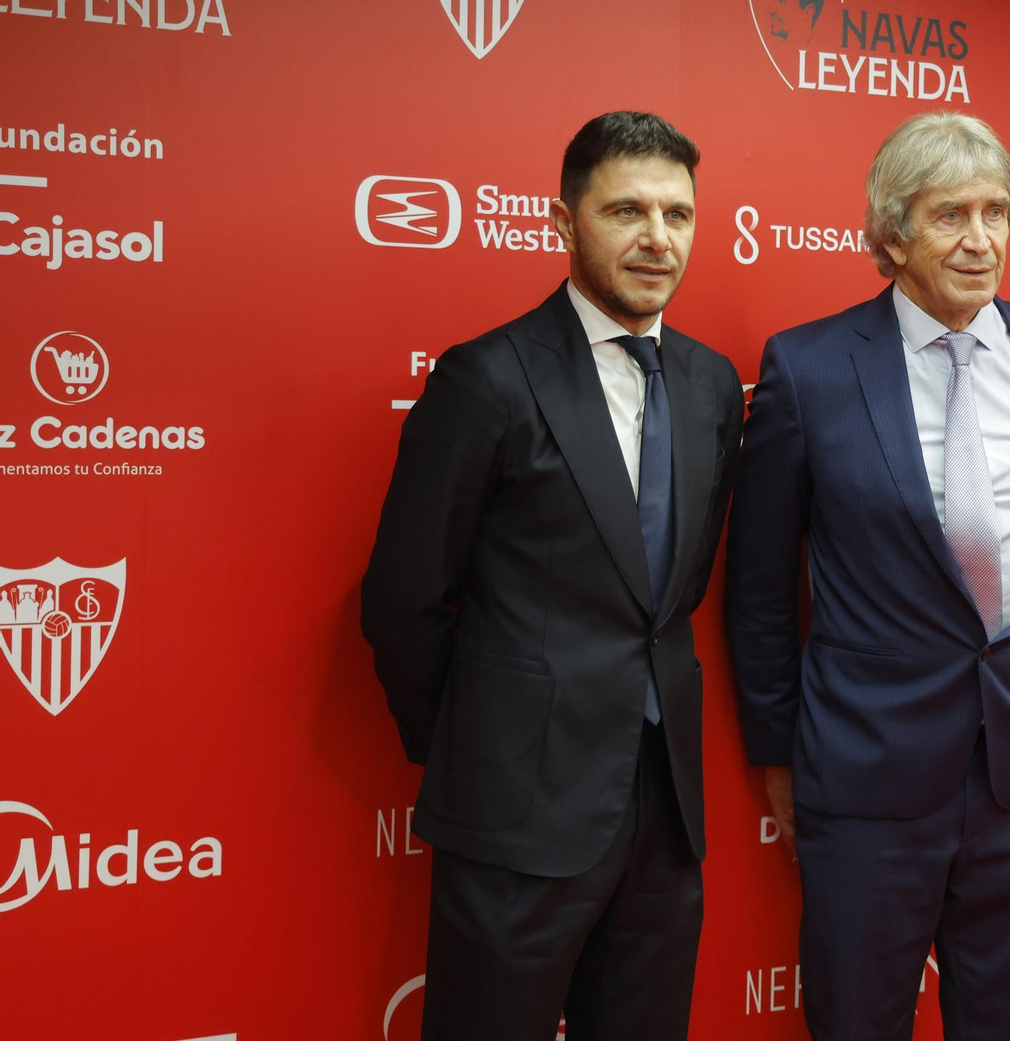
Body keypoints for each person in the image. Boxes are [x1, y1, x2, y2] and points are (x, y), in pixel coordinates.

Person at [724, 111, 1010, 1041]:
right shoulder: (809, 368)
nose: (981, 240)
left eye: (996, 212)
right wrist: (779, 753)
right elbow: (762, 584)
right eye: (950, 216)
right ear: (891, 235)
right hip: (869, 777)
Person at [361, 110, 745, 1041]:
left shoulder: (712, 385)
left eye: (678, 214)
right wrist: (480, 746)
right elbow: (404, 599)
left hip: (664, 814)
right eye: (626, 211)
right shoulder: (487, 378)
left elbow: (675, 593)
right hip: (515, 809)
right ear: (564, 223)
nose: (658, 238)